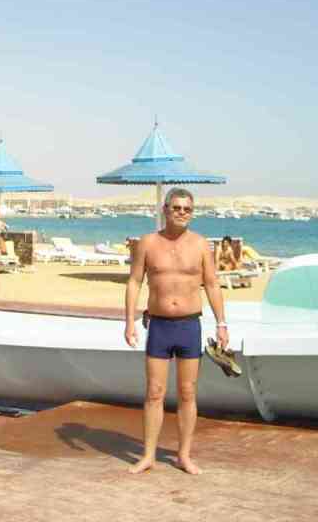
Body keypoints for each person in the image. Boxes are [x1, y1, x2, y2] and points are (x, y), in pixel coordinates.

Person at [124, 188, 229, 476]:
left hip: (189, 325)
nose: (182, 212)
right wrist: (129, 321)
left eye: (187, 209)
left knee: (187, 392)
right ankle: (148, 455)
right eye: (177, 207)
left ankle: (183, 455)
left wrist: (221, 323)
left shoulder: (200, 245)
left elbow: (212, 284)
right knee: (154, 392)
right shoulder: (147, 243)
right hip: (159, 325)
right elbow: (134, 282)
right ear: (165, 209)